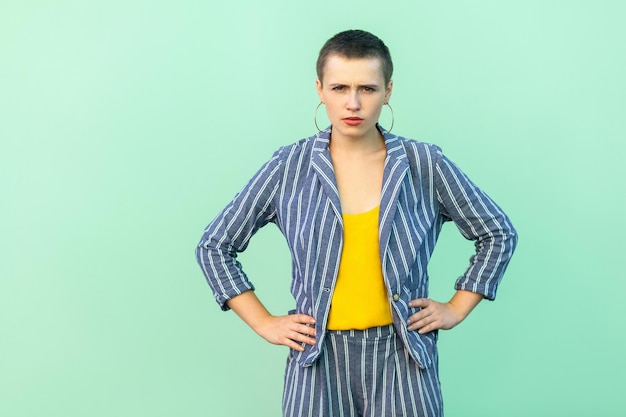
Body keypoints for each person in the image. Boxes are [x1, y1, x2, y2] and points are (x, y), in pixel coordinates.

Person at [196, 29, 517, 417]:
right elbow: (214, 245)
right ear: (319, 89)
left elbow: (497, 233)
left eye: (367, 88)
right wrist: (265, 322)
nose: (353, 103)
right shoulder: (289, 167)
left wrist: (456, 307)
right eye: (339, 88)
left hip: (403, 355)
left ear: (388, 91)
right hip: (317, 357)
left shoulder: (422, 164)